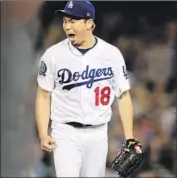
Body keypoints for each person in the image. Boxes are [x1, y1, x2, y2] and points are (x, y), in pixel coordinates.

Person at [35, 0, 142, 177]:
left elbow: (123, 96)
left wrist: (129, 136)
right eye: (65, 21)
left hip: (98, 133)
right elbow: (43, 95)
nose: (67, 26)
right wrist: (42, 132)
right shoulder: (53, 55)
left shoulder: (111, 54)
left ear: (89, 23)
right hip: (65, 132)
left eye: (73, 21)